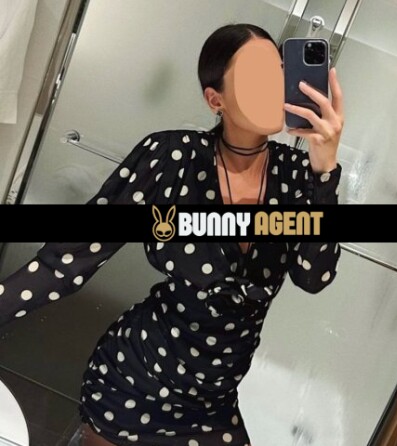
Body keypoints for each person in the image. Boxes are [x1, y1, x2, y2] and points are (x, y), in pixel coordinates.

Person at [0, 23, 344, 446]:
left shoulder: (298, 176)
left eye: (278, 71)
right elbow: (68, 260)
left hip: (213, 407)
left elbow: (313, 276)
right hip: (135, 383)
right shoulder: (172, 157)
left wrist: (324, 171)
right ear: (215, 99)